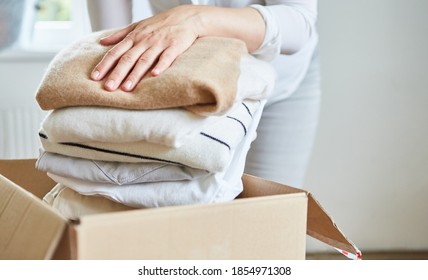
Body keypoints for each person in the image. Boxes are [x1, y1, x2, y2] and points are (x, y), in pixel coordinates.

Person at [86, 0, 321, 188]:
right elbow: (112, 32)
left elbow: (298, 22)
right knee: (184, 220)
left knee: (271, 219)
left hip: (279, 80)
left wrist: (198, 19)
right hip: (183, 85)